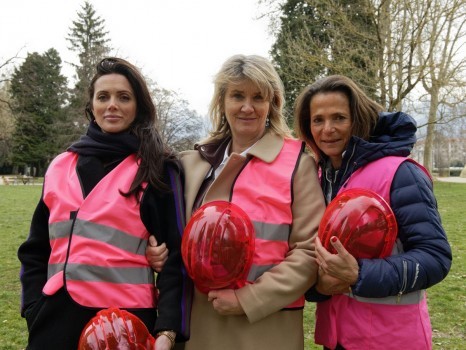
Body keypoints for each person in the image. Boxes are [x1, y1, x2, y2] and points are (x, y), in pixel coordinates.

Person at [147, 54, 326, 350]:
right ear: (222, 101)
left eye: (258, 97)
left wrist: (247, 300)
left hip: (266, 329)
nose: (247, 107)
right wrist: (159, 254)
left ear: (273, 104)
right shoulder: (191, 163)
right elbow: (175, 241)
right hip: (196, 326)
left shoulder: (298, 164)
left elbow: (309, 252)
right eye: (237, 95)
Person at [17, 57, 190, 350]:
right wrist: (33, 307)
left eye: (124, 97)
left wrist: (168, 329)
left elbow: (176, 258)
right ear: (91, 106)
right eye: (103, 97)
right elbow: (36, 249)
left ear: (139, 107)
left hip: (126, 326)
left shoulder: (157, 168)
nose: (112, 105)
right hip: (55, 321)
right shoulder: (61, 165)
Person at [294, 75, 452, 349]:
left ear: (357, 119)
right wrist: (316, 288)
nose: (327, 129)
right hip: (338, 338)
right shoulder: (318, 177)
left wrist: (359, 275)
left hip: (391, 339)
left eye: (339, 118)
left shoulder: (400, 172)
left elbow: (435, 257)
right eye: (317, 120)